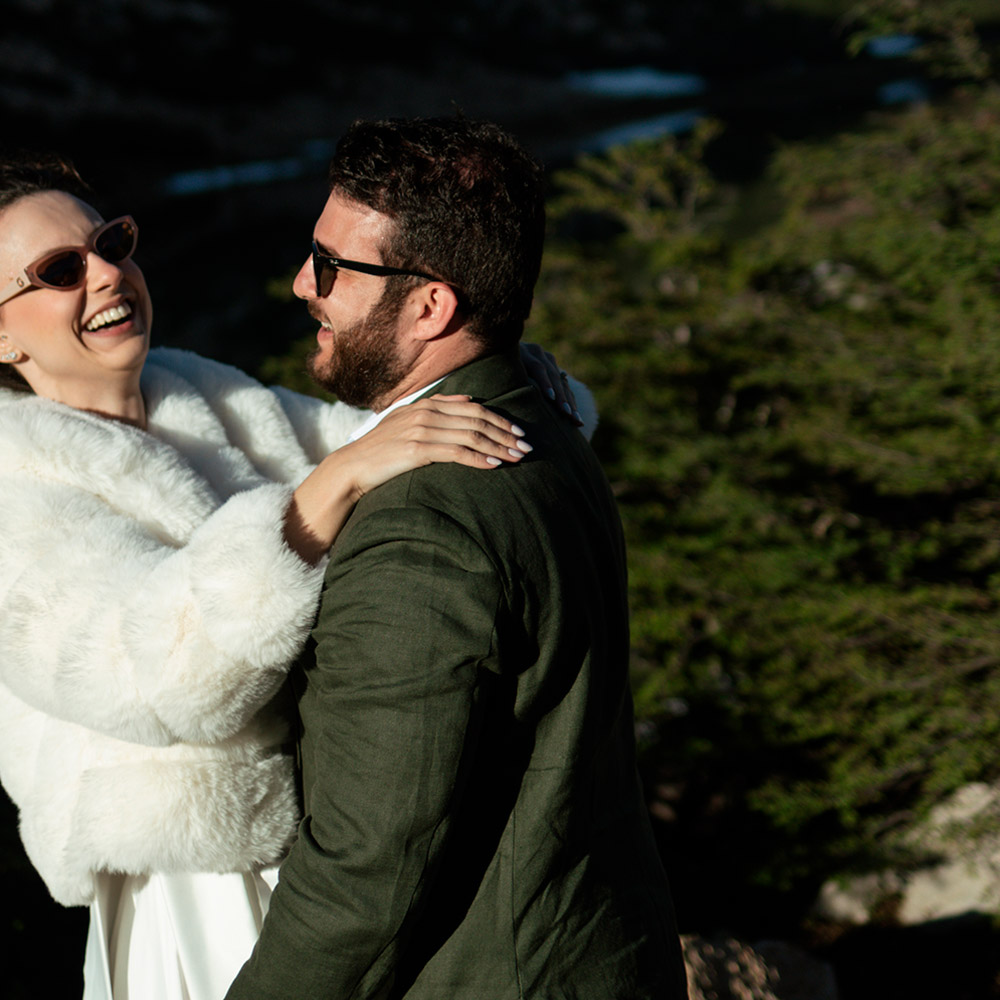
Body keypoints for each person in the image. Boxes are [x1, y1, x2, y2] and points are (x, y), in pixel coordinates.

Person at [0, 142, 578, 1000]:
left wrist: (499, 389)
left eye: (112, 244)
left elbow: (390, 446)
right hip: (195, 886)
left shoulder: (190, 389)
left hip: (326, 844)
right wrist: (325, 490)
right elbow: (155, 680)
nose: (104, 276)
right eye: (59, 270)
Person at [225, 117, 685, 1000]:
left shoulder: (420, 527)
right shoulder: (540, 420)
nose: (300, 284)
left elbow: (367, 866)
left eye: (330, 266)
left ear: (430, 305)